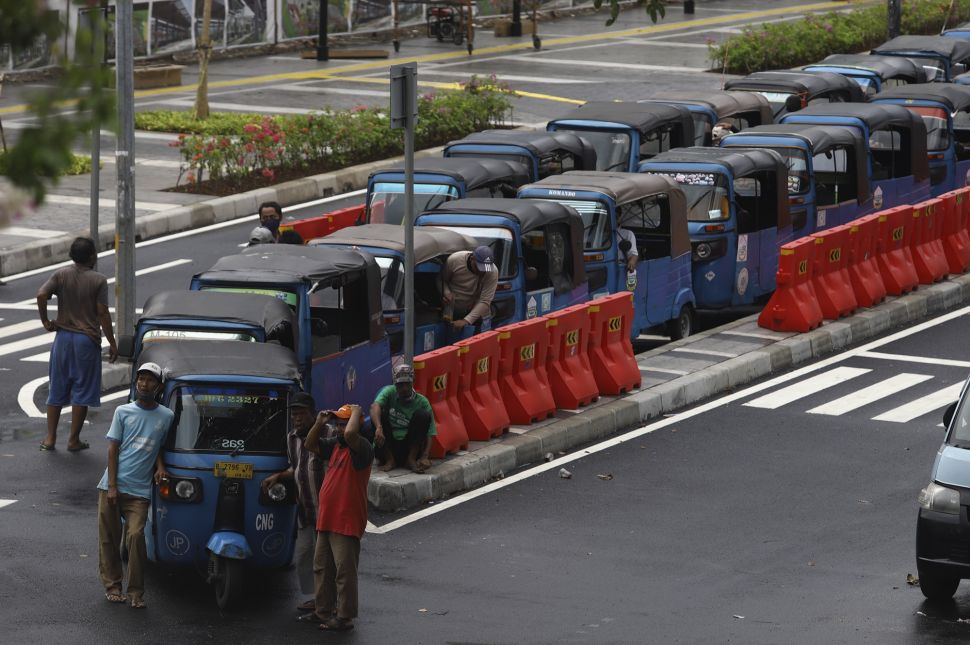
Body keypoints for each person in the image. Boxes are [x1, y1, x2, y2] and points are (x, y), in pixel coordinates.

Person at [96, 362, 173, 609]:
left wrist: (160, 466)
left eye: (150, 380)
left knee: (136, 536)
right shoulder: (123, 411)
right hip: (113, 485)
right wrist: (112, 486)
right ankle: (113, 586)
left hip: (139, 491)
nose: (143, 383)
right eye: (141, 378)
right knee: (109, 538)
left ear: (158, 386)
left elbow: (158, 444)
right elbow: (112, 449)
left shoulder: (166, 416)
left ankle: (136, 592)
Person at [36, 236, 117, 452]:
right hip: (86, 340)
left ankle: (50, 438)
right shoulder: (98, 280)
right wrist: (112, 341)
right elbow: (102, 313)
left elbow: (42, 294)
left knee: (57, 387)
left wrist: (45, 321)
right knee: (81, 390)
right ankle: (73, 440)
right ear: (92, 256)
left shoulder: (61, 274)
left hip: (62, 338)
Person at [303, 404, 372, 633]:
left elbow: (352, 434)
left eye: (344, 424)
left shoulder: (362, 448)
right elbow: (310, 444)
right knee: (322, 568)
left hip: (346, 521)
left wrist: (356, 411)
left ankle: (344, 617)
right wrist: (320, 423)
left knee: (344, 573)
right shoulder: (335, 447)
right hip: (327, 518)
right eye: (338, 424)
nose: (341, 429)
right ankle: (322, 611)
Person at [263, 392, 327, 614]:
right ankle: (318, 597)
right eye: (294, 414)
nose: (297, 418)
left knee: (325, 559)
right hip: (305, 510)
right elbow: (297, 468)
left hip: (325, 510)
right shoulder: (292, 438)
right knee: (303, 556)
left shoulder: (327, 434)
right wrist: (279, 476)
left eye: (302, 414)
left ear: (313, 414)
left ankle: (327, 601)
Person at [371, 364, 435, 474]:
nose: (404, 388)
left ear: (412, 382)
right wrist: (378, 427)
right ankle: (390, 460)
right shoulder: (389, 392)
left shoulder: (422, 401)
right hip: (388, 444)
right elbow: (374, 406)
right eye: (400, 385)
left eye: (407, 384)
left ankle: (411, 459)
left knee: (423, 415)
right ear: (395, 384)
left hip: (410, 446)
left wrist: (425, 456)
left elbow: (430, 432)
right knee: (378, 415)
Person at [441, 245, 498, 334]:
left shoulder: (492, 271)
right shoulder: (454, 260)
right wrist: (445, 291)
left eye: (485, 270)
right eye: (478, 268)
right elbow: (442, 279)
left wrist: (466, 321)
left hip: (476, 313)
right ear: (472, 258)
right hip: (452, 310)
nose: (481, 272)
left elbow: (485, 300)